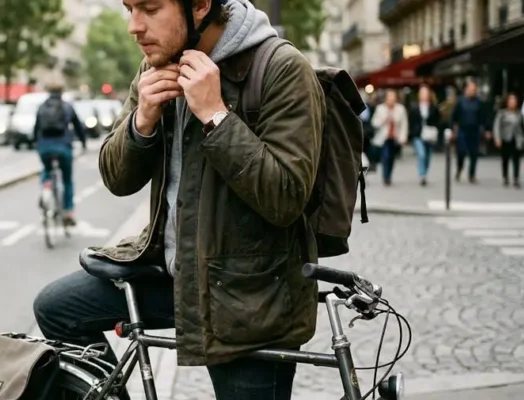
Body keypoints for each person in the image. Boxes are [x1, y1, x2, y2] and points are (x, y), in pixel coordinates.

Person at [33, 0, 324, 398]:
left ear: (201, 5)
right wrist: (142, 122)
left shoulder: (280, 68)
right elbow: (116, 178)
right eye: (129, 8)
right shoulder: (154, 66)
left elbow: (286, 197)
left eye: (150, 8)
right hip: (171, 274)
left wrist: (216, 116)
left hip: (250, 294)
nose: (134, 26)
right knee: (58, 309)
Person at [32, 80, 88, 226]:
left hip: (45, 148)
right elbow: (78, 127)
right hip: (64, 147)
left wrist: (36, 144)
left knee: (46, 169)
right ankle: (68, 211)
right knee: (67, 180)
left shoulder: (41, 107)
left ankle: (45, 188)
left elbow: (36, 128)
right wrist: (83, 143)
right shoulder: (68, 106)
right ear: (62, 91)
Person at [451, 80, 490, 184]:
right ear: (466, 90)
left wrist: (486, 130)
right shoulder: (460, 102)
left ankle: (472, 175)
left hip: (475, 130)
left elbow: (484, 117)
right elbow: (454, 117)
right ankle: (459, 168)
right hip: (463, 130)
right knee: (461, 151)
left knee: (474, 154)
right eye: (470, 89)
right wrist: (453, 130)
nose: (472, 91)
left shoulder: (479, 102)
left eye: (474, 89)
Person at [372, 89, 407, 186]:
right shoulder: (380, 109)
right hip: (384, 138)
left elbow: (404, 125)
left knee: (391, 158)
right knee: (386, 157)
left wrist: (403, 138)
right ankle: (385, 177)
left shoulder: (401, 109)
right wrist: (384, 119)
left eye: (393, 98)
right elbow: (374, 123)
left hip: (395, 138)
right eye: (390, 97)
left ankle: (389, 175)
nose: (391, 100)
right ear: (386, 99)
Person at [409, 84, 442, 186]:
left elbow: (438, 121)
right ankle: (422, 175)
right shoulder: (414, 107)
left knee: (427, 156)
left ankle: (424, 172)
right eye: (422, 93)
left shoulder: (433, 107)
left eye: (425, 93)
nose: (424, 95)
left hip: (429, 135)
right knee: (421, 154)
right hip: (418, 135)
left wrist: (435, 130)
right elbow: (411, 121)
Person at [493, 93, 524, 188]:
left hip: (517, 139)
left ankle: (516, 178)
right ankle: (505, 176)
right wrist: (497, 138)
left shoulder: (520, 114)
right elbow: (497, 126)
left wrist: (523, 139)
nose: (512, 102)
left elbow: (522, 127)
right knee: (505, 158)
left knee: (516, 159)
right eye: (510, 101)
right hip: (506, 138)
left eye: (514, 100)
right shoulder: (502, 113)